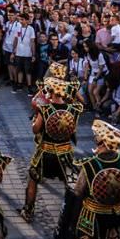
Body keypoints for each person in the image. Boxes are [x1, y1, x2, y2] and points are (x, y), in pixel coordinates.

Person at [19, 76, 83, 223]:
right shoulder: (73, 109)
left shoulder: (45, 109)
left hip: (45, 153)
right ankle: (73, 215)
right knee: (71, 183)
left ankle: (28, 211)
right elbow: (73, 130)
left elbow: (36, 130)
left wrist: (34, 122)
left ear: (51, 92)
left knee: (33, 180)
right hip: (65, 152)